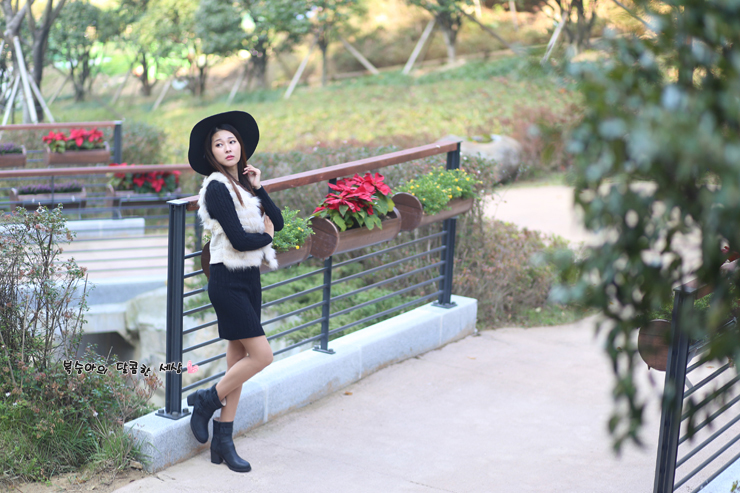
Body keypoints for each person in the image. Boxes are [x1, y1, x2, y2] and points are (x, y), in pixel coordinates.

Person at [186, 111, 284, 473]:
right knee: (262, 356)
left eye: (232, 141)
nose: (228, 148)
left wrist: (259, 187)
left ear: (240, 146)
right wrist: (267, 237)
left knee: (237, 364)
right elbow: (242, 240)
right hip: (227, 281)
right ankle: (205, 400)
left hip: (249, 280)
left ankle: (222, 441)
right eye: (219, 144)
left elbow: (278, 220)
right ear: (210, 153)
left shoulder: (243, 185)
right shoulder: (215, 188)